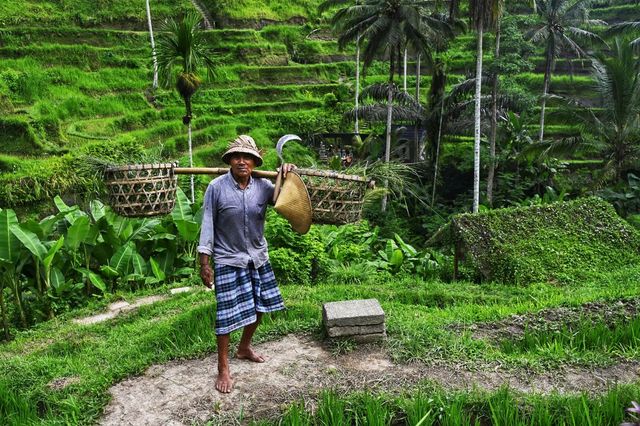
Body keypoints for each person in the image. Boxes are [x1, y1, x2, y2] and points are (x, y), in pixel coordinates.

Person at [197, 135, 295, 394]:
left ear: (254, 162)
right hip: (229, 259)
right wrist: (204, 262)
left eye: (247, 157)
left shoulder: (263, 186)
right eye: (236, 157)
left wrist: (284, 175)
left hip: (257, 257)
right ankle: (223, 368)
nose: (242, 161)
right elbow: (208, 224)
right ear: (229, 161)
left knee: (260, 305)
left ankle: (244, 347)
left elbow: (286, 201)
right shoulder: (216, 188)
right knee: (226, 317)